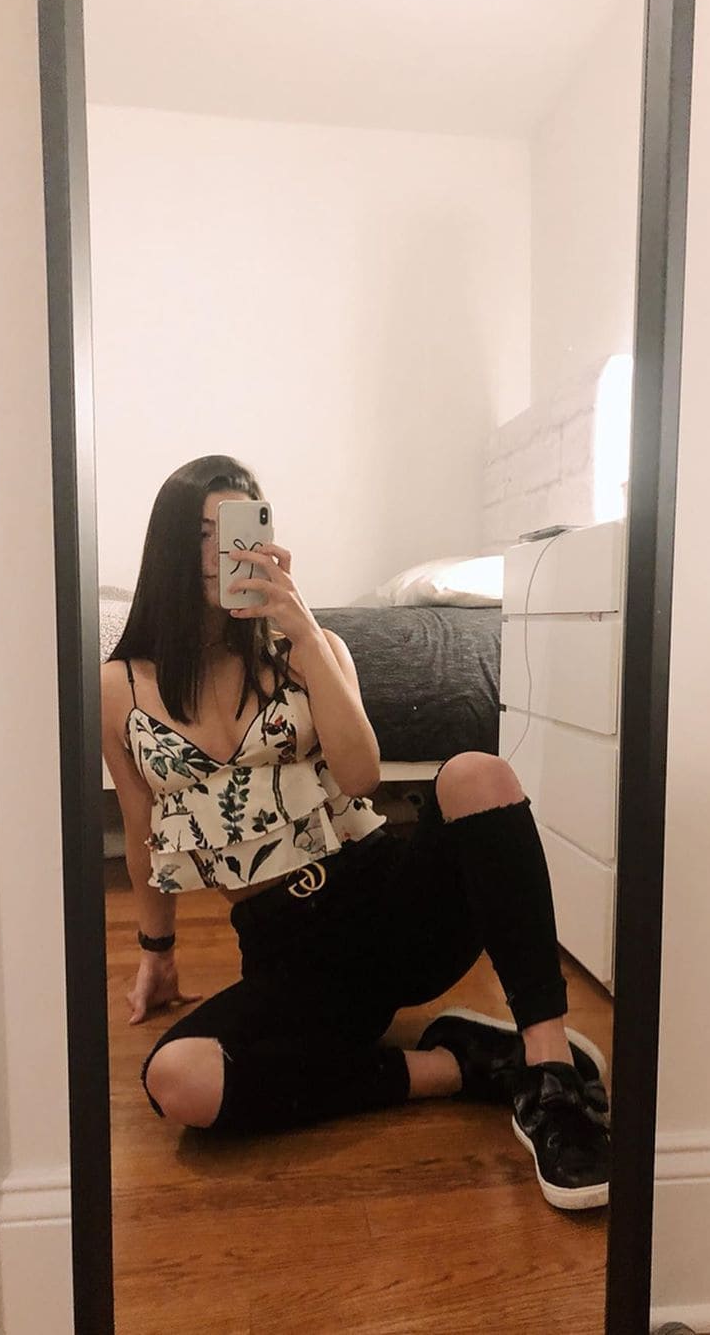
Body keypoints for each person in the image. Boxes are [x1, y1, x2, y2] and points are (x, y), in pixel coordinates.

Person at [101, 454, 611, 1210]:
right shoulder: (120, 686)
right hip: (291, 957)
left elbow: (363, 775)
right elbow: (141, 827)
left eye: (237, 529)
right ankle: (463, 1065)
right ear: (167, 544)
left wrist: (305, 634)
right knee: (178, 1080)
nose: (220, 553)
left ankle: (549, 1073)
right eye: (201, 533)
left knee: (477, 772)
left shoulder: (312, 650)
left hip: (392, 905)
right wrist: (157, 952)